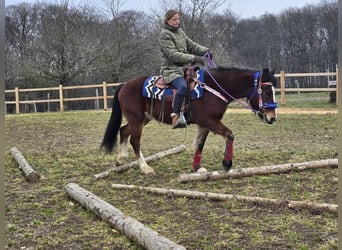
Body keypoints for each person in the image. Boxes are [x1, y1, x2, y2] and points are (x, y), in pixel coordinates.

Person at [159, 9, 211, 129]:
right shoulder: (164, 35)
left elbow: (192, 45)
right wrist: (194, 58)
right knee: (182, 86)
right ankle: (177, 115)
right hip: (171, 70)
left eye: (178, 19)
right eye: (174, 19)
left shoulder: (180, 32)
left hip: (185, 68)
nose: (177, 22)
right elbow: (173, 54)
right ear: (167, 20)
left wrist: (206, 51)